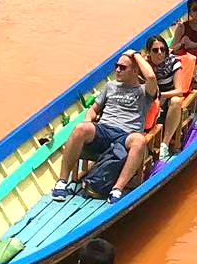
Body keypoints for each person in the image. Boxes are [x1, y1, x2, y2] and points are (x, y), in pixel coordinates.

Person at [54, 49, 158, 201]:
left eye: (123, 67)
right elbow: (94, 109)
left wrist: (135, 54)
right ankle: (62, 182)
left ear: (135, 71)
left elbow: (151, 76)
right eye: (117, 66)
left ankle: (117, 189)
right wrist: (88, 121)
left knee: (139, 140)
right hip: (104, 130)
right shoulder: (110, 86)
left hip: (126, 135)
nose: (117, 70)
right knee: (80, 128)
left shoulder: (144, 92)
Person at [144, 33, 196, 148]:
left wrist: (161, 95)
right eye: (155, 50)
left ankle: (165, 143)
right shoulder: (145, 65)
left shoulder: (173, 62)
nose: (159, 53)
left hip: (167, 96)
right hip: (149, 97)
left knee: (176, 100)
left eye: (163, 50)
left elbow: (179, 90)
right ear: (148, 52)